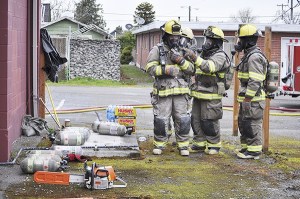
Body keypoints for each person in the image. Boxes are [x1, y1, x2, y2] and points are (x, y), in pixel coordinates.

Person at [145, 20, 194, 156]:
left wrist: (181, 61)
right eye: (172, 36)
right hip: (163, 93)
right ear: (165, 35)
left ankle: (183, 146)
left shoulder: (184, 51)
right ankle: (159, 145)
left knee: (183, 119)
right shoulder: (157, 50)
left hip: (181, 93)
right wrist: (166, 70)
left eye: (177, 36)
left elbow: (192, 69)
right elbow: (149, 68)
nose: (175, 39)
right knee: (161, 119)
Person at [183, 26, 231, 155]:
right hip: (199, 94)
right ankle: (199, 144)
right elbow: (196, 69)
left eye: (209, 40)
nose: (206, 42)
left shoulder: (220, 56)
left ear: (216, 42)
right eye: (206, 39)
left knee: (209, 121)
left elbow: (209, 67)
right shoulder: (205, 54)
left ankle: (214, 145)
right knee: (196, 120)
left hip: (212, 95)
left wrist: (194, 57)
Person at [234, 24, 267, 159]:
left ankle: (254, 152)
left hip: (253, 99)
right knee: (245, 123)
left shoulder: (254, 57)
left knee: (252, 124)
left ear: (247, 40)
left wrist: (248, 98)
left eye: (240, 40)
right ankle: (247, 148)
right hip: (249, 99)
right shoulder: (248, 55)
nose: (238, 43)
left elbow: (255, 80)